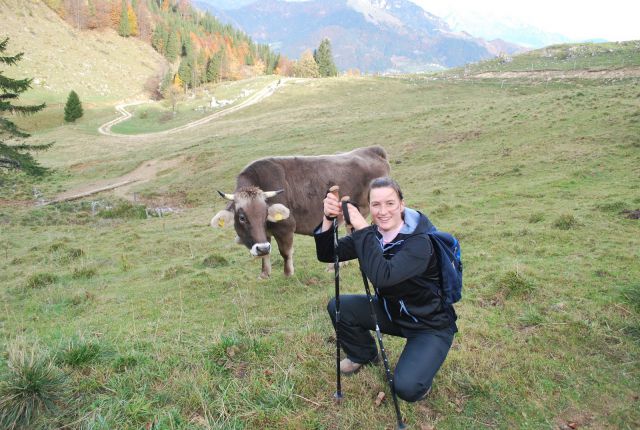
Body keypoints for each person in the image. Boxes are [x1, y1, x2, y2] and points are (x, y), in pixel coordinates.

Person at [314, 177, 457, 402]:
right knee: (340, 306)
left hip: (429, 324)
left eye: (390, 203)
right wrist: (327, 219)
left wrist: (361, 229)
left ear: (401, 204)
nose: (383, 211)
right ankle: (364, 354)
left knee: (407, 388)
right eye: (376, 204)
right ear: (369, 206)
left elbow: (384, 276)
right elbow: (328, 254)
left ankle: (422, 369)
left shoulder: (421, 242)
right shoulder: (375, 234)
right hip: (391, 313)